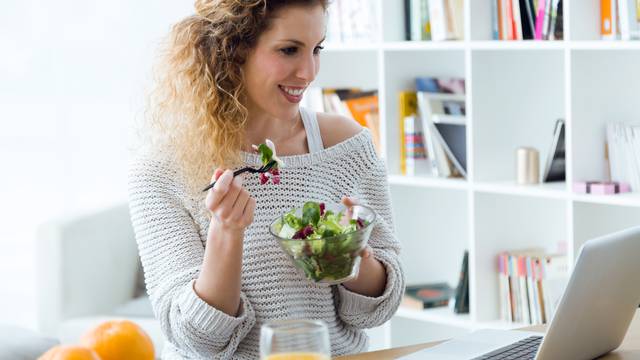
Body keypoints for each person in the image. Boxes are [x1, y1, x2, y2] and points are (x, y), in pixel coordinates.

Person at [128, 0, 405, 358]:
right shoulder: (162, 170)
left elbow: (379, 308)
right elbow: (197, 340)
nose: (308, 72)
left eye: (317, 49)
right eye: (289, 50)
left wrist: (350, 258)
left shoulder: (346, 147)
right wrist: (226, 233)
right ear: (232, 51)